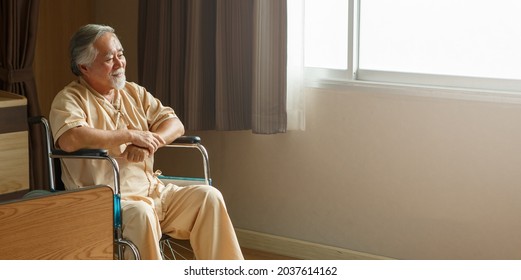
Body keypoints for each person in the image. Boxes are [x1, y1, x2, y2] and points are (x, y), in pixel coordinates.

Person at [49, 24, 244, 260]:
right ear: (84, 67)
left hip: (153, 190)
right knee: (142, 213)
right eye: (110, 59)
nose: (120, 64)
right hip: (106, 202)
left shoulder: (134, 92)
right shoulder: (69, 99)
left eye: (121, 55)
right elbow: (70, 139)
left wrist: (151, 141)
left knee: (208, 197)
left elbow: (175, 123)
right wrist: (129, 135)